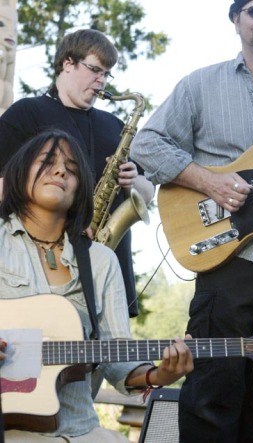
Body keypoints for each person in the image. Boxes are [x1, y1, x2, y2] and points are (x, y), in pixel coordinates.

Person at [131, 0, 253, 441]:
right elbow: (147, 145)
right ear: (237, 20)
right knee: (212, 393)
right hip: (224, 258)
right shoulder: (200, 84)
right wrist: (209, 183)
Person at [0, 129, 193, 442]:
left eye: (72, 169)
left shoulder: (101, 261)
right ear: (20, 172)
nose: (61, 170)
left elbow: (117, 359)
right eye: (47, 161)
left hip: (81, 430)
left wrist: (161, 374)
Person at [0, 28, 154, 317]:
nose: (102, 80)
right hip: (42, 267)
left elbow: (146, 193)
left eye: (107, 74)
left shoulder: (114, 124)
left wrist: (135, 181)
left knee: (112, 357)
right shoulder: (26, 113)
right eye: (95, 69)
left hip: (106, 262)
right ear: (67, 63)